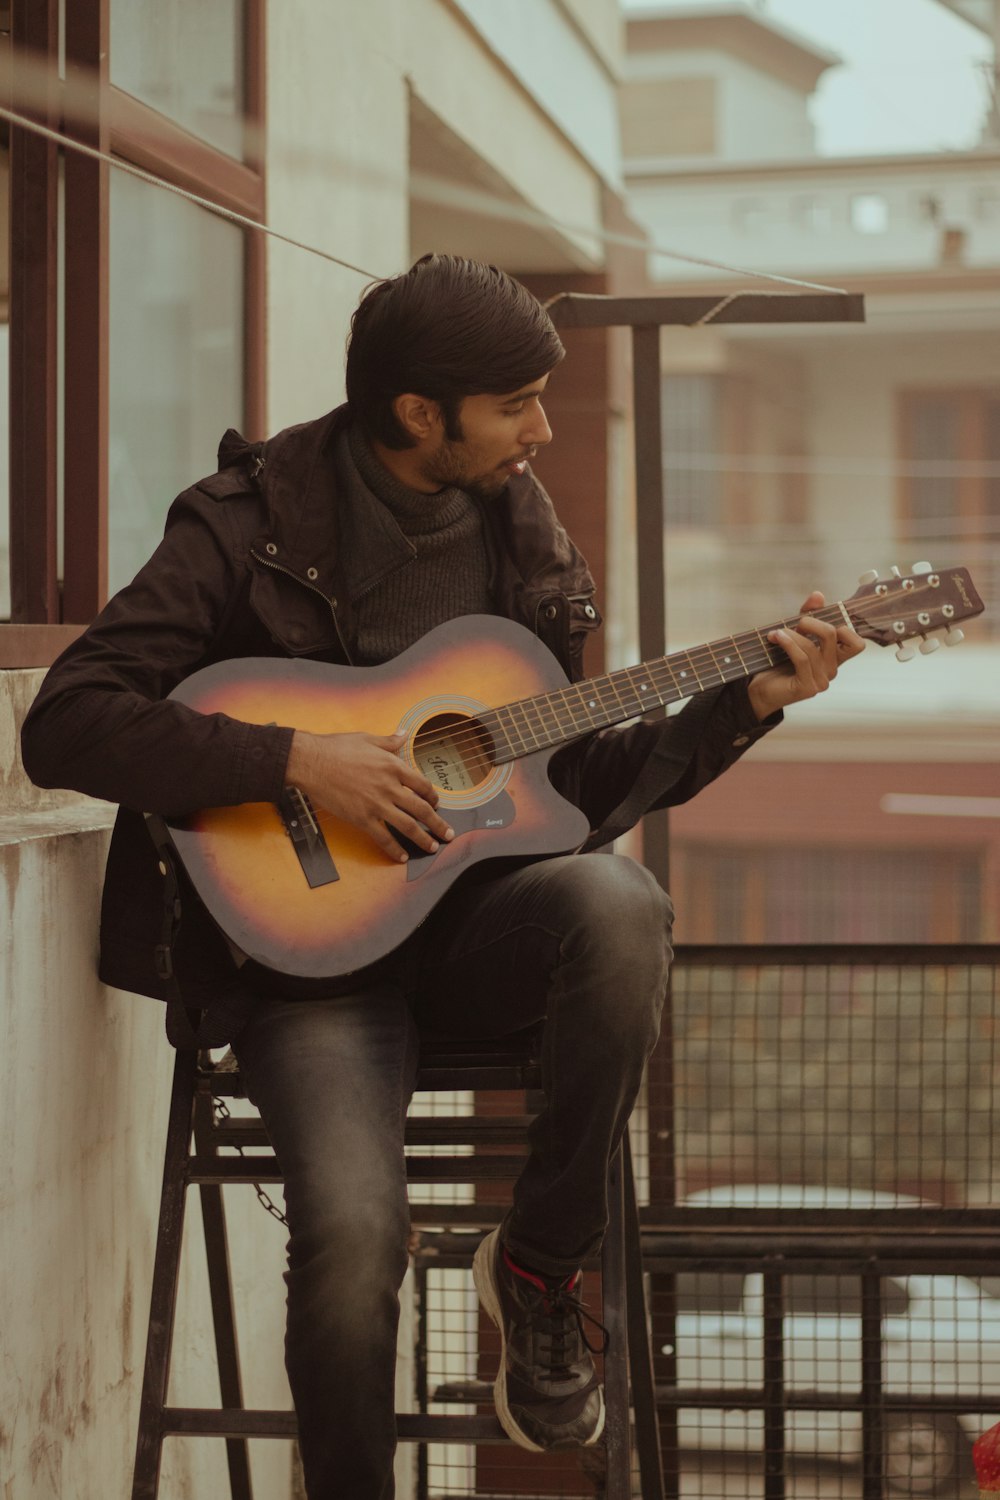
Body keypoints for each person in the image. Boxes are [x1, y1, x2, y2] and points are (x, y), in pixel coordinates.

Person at [21, 254, 863, 1499]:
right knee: (356, 1244)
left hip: (475, 940)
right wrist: (295, 760)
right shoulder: (242, 524)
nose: (543, 428)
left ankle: (537, 1268)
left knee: (620, 903)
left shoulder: (525, 537)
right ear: (422, 413)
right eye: (518, 402)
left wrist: (744, 703)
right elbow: (69, 722)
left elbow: (574, 794)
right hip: (300, 967)